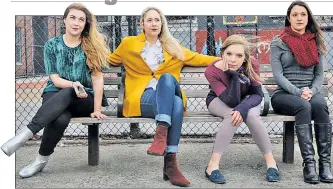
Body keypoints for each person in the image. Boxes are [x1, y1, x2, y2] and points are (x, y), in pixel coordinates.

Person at [107, 6, 219, 187]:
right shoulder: (129, 44)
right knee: (175, 103)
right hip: (143, 97)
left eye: (157, 20)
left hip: (167, 89)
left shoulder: (172, 46)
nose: (153, 23)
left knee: (166, 79)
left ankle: (160, 136)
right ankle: (170, 164)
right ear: (142, 23)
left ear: (162, 23)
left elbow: (198, 58)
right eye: (149, 20)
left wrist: (225, 60)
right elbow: (109, 60)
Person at [1, 2, 110, 178]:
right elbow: (55, 80)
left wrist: (97, 109)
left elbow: (97, 79)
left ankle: (24, 135)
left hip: (84, 97)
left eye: (81, 19)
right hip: (56, 91)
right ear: (64, 20)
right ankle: (39, 161)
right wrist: (73, 84)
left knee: (69, 92)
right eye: (73, 18)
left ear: (85, 24)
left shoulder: (91, 45)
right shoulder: (51, 45)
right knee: (60, 118)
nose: (76, 23)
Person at [270, 0, 332, 184]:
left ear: (308, 17)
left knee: (321, 105)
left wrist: (312, 91)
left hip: (310, 94)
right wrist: (299, 92)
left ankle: (325, 165)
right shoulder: (278, 42)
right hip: (284, 95)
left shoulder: (316, 40)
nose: (299, 18)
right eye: (295, 15)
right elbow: (278, 76)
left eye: (303, 14)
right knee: (303, 106)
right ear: (289, 18)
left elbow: (320, 74)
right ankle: (309, 165)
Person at [204, 35, 281, 184]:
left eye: (239, 55)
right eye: (229, 54)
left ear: (245, 58)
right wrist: (233, 75)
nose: (233, 59)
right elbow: (230, 100)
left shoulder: (252, 64)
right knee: (232, 116)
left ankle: (271, 163)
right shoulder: (211, 71)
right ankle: (212, 165)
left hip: (247, 99)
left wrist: (242, 108)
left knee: (251, 116)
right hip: (218, 99)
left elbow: (257, 94)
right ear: (222, 54)